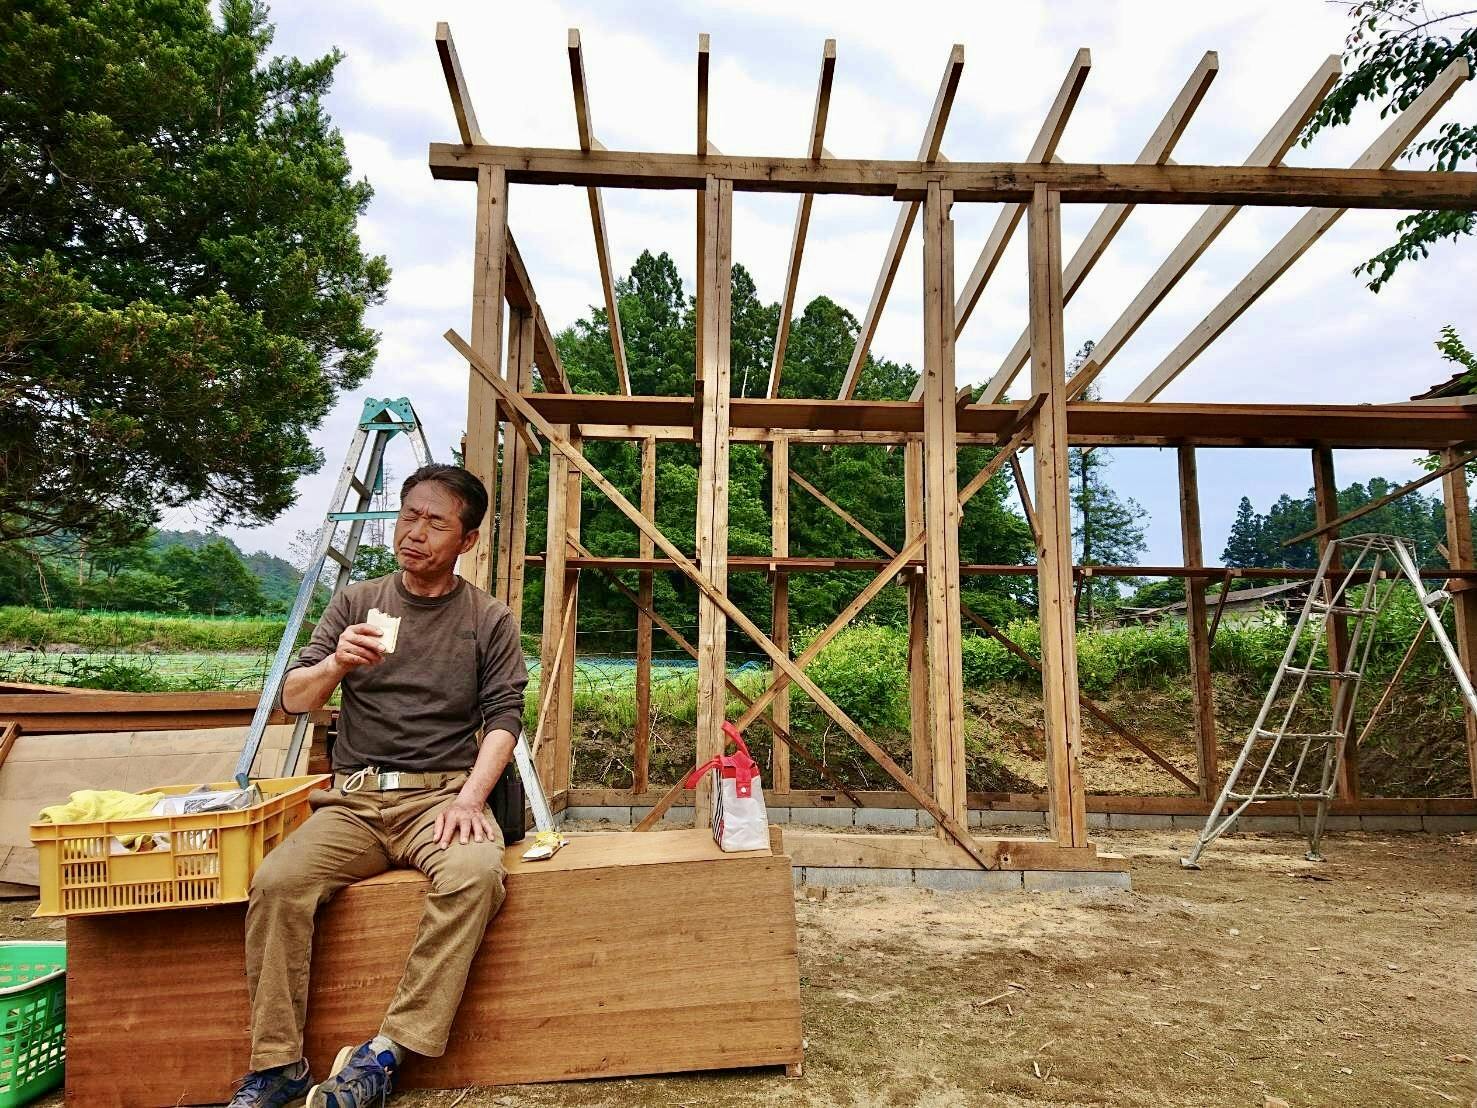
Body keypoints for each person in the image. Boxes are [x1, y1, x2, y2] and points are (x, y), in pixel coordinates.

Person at [228, 464, 528, 1108]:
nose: (415, 533)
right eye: (408, 516)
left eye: (435, 522)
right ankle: (277, 1064)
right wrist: (337, 662)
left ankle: (385, 1053)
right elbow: (295, 698)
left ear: (467, 540)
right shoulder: (357, 603)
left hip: (440, 798)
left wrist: (471, 799)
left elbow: (505, 719)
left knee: (476, 875)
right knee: (277, 881)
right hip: (355, 800)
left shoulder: (488, 619)